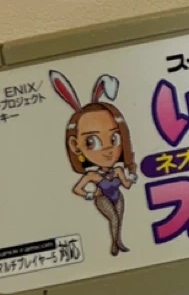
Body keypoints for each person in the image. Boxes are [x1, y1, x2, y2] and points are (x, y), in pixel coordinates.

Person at [51, 70, 137, 256]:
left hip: (118, 197)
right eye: (92, 142)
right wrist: (91, 194)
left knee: (119, 220)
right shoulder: (92, 175)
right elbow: (77, 189)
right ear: (75, 146)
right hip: (102, 198)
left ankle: (118, 243)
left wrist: (131, 175)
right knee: (114, 219)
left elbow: (127, 185)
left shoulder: (117, 170)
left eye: (114, 139)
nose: (108, 149)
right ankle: (115, 246)